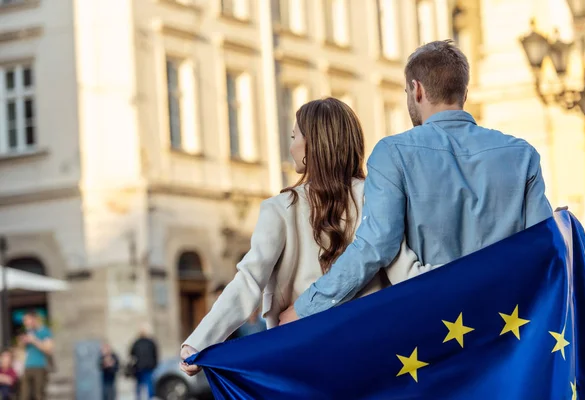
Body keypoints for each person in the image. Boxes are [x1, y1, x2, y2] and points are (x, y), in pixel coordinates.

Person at [279, 40, 554, 324]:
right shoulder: (522, 154)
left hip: (433, 328)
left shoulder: (392, 153)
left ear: (417, 89)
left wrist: (305, 308)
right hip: (506, 323)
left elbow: (374, 246)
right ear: (465, 92)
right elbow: (542, 246)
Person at [180, 98, 436, 376]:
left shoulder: (280, 210)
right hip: (374, 354)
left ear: (312, 145)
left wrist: (198, 343)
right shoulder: (377, 197)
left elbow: (248, 281)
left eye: (293, 136)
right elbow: (407, 272)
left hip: (304, 357)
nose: (290, 146)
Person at [19, 311, 53, 400]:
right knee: (24, 396)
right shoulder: (28, 332)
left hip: (40, 366)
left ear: (34, 319)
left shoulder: (45, 331)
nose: (25, 322)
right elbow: (23, 351)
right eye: (24, 321)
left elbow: (48, 349)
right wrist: (23, 342)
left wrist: (34, 340)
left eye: (27, 320)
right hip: (27, 366)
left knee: (39, 395)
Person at [129, 324, 158, 400]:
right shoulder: (151, 342)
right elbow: (155, 354)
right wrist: (154, 364)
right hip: (149, 366)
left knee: (139, 384)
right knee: (149, 384)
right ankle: (150, 398)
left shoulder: (136, 342)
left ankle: (138, 398)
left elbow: (131, 353)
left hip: (139, 367)